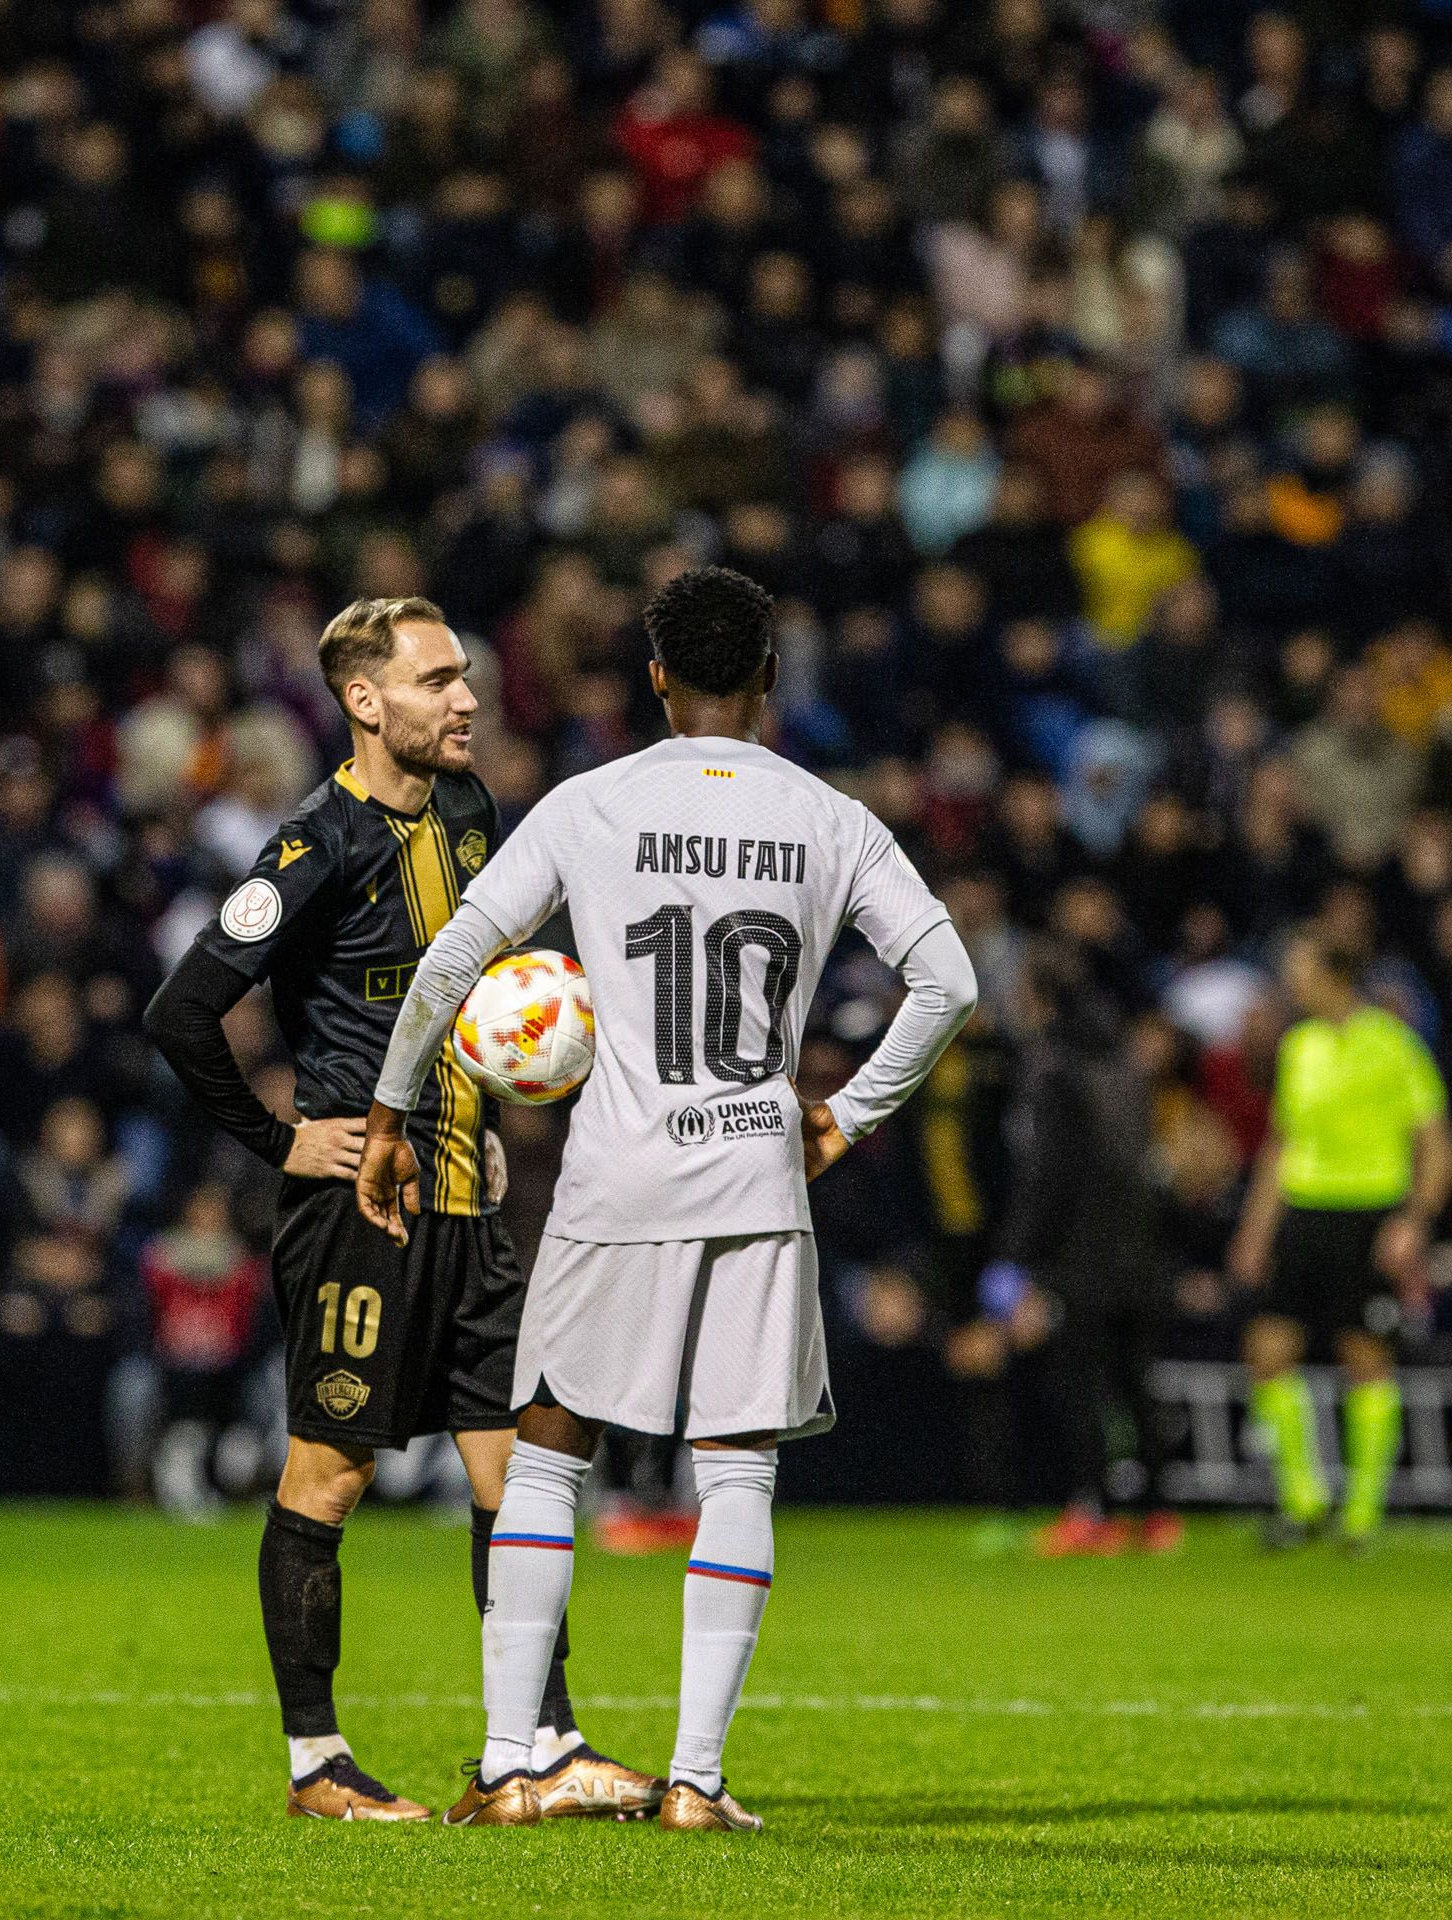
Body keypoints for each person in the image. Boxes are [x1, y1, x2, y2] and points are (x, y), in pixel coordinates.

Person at [357, 567, 978, 1829]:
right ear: (769, 679)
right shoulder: (830, 817)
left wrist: (388, 1110)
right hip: (758, 1166)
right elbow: (949, 981)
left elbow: (456, 957)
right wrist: (848, 1117)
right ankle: (695, 1779)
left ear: (653, 677)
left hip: (616, 1175)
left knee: (548, 1453)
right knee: (736, 1467)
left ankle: (507, 1761)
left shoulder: (593, 804)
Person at [144, 595, 659, 1821]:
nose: (467, 698)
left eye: (466, 676)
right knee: (327, 1478)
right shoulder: (313, 846)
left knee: (523, 1471)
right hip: (359, 1213)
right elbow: (180, 1011)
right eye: (436, 680)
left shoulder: (475, 816)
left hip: (472, 1204)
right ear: (366, 702)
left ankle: (533, 1744)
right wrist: (283, 1141)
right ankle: (315, 1765)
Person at [1228, 930, 1452, 1549]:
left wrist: (1414, 1220)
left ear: (1331, 973)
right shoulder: (1299, 1045)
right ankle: (1305, 1502)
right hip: (1305, 1214)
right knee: (1268, 1350)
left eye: (1299, 965)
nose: (1290, 977)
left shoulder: (1393, 1043)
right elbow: (1281, 1144)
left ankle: (1361, 1515)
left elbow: (1434, 1143)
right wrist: (1254, 1229)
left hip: (1370, 1217)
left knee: (1365, 1361)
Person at [989, 939, 1182, 1556]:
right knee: (1135, 1379)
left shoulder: (1054, 1070)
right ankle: (1157, 1517)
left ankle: (1091, 1512)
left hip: (1082, 1254)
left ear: (1039, 999)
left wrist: (1016, 1256)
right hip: (1139, 1246)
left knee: (1080, 1384)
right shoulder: (1123, 1063)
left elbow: (1050, 1175)